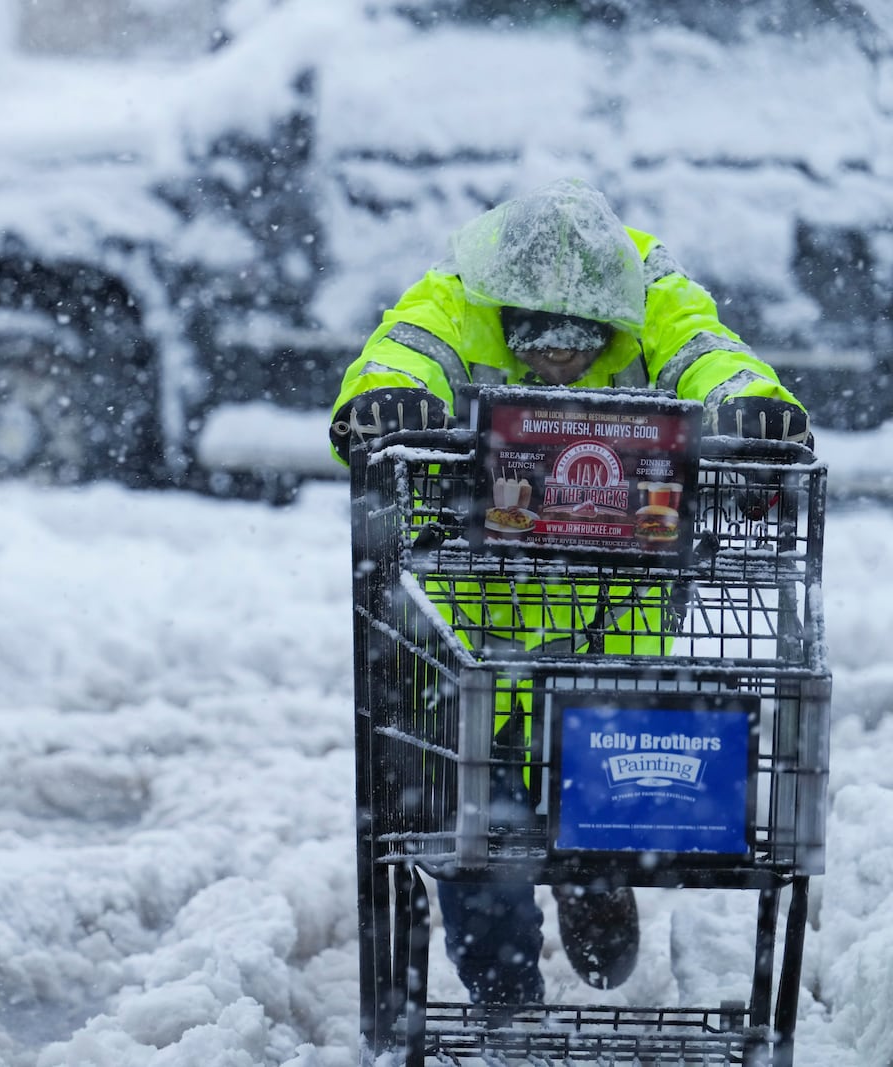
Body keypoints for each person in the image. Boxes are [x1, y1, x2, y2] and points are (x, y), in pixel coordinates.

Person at [328, 178, 811, 1006]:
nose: (558, 356)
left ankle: (598, 881)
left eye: (579, 337)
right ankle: (505, 1003)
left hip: (612, 648)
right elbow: (404, 351)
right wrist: (382, 402)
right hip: (474, 650)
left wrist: (753, 407)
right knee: (476, 849)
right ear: (501, 303)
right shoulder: (455, 294)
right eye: (535, 336)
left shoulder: (654, 290)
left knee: (603, 819)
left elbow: (709, 353)